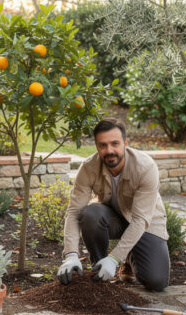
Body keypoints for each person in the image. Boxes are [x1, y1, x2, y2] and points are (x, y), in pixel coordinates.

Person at [57, 118, 169, 291]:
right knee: (90, 214)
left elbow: (140, 220)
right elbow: (73, 212)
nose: (109, 150)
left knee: (156, 281)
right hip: (113, 218)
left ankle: (126, 261)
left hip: (146, 222)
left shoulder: (145, 167)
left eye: (115, 144)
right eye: (102, 145)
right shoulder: (88, 168)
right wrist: (71, 255)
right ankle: (100, 271)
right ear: (96, 146)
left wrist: (115, 258)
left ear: (125, 143)